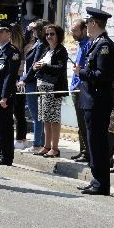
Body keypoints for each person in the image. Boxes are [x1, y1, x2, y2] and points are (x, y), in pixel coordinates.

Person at [75, 8, 114, 195]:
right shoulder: (97, 43)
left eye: (87, 25)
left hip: (97, 100)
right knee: (93, 142)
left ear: (94, 24)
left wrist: (81, 72)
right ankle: (97, 180)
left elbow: (102, 75)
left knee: (97, 142)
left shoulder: (104, 45)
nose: (86, 28)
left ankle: (101, 183)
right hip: (92, 99)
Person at [0, 20, 21, 166]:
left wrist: (5, 96)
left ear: (8, 33)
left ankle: (7, 156)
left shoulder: (12, 52)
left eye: (1, 32)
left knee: (5, 126)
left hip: (3, 93)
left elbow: (9, 76)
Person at [32, 24, 68, 158]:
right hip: (42, 87)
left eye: (52, 34)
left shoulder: (61, 51)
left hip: (53, 88)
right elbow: (40, 65)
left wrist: (44, 66)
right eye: (47, 34)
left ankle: (55, 148)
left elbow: (59, 68)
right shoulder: (47, 50)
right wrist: (36, 67)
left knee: (54, 119)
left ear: (58, 35)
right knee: (45, 118)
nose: (49, 37)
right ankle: (46, 146)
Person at [19, 20, 46, 152]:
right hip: (31, 81)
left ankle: (37, 143)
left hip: (32, 82)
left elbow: (34, 65)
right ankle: (40, 142)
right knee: (37, 114)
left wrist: (24, 79)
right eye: (33, 29)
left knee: (36, 115)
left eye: (36, 29)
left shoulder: (41, 45)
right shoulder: (37, 43)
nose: (33, 31)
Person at [69, 19, 91, 163]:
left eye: (76, 31)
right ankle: (82, 150)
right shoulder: (81, 45)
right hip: (76, 87)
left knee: (84, 123)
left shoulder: (89, 44)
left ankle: (87, 152)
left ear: (84, 29)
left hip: (82, 88)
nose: (74, 34)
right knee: (80, 123)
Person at [9, 23, 28, 149]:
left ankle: (20, 138)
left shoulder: (22, 47)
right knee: (17, 111)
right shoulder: (21, 45)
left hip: (19, 79)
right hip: (15, 78)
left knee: (18, 111)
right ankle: (20, 137)